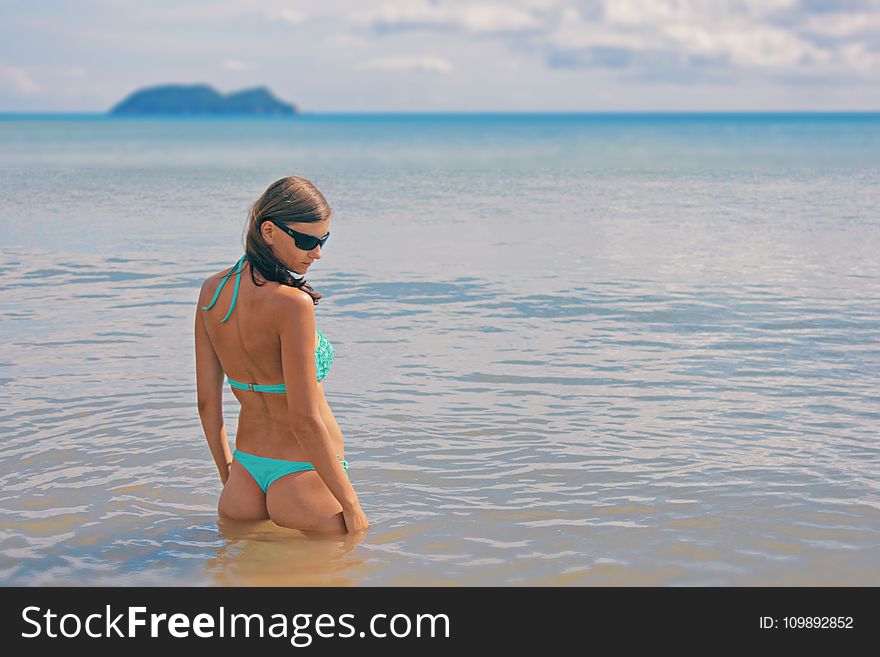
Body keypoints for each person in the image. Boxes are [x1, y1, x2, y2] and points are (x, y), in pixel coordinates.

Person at [194, 176, 369, 534]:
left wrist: (230, 477)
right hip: (303, 475)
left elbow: (206, 404)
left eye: (323, 240)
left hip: (244, 478)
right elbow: (304, 417)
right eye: (306, 240)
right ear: (269, 231)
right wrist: (351, 503)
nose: (316, 252)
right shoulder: (293, 305)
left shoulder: (211, 292)